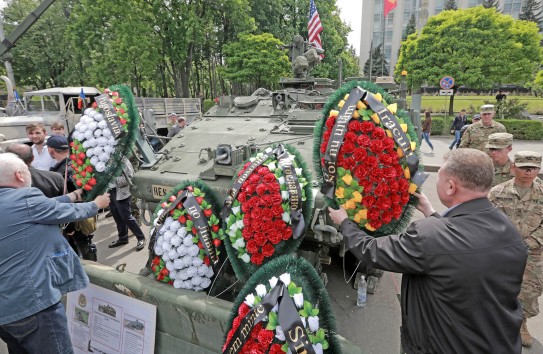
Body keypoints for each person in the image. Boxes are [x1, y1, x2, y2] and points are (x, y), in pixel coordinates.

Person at [328, 148, 527, 354]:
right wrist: (432, 214)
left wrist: (345, 223)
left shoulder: (430, 236)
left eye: (439, 177)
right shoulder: (507, 228)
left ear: (451, 187)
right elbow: (461, 247)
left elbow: (371, 251)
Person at [0, 153, 110, 353]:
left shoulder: (12, 202)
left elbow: (46, 207)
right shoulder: (26, 198)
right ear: (19, 175)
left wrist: (74, 196)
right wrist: (97, 204)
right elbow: (67, 212)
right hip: (33, 307)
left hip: (6, 314)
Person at [488, 151, 543, 348]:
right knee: (497, 288)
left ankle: (521, 323)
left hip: (533, 254)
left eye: (533, 168)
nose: (528, 171)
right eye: (523, 167)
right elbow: (487, 221)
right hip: (501, 252)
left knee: (529, 292)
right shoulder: (497, 192)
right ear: (513, 167)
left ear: (538, 170)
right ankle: (497, 324)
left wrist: (530, 243)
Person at [47, 135, 97, 261]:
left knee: (77, 247)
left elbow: (64, 201)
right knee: (86, 243)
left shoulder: (58, 173)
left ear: (50, 150)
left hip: (73, 220)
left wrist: (69, 228)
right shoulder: (77, 165)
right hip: (86, 212)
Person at [108, 157, 146, 251]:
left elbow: (130, 176)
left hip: (121, 192)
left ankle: (141, 237)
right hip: (110, 191)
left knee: (126, 216)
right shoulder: (102, 159)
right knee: (116, 215)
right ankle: (123, 238)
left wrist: (113, 179)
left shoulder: (122, 159)